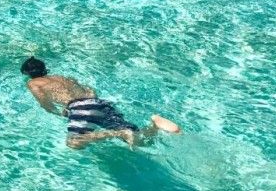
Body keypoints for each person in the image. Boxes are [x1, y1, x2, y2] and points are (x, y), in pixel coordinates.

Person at [21, 56, 180, 149]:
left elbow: (44, 103)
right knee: (136, 140)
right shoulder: (63, 78)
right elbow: (89, 90)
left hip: (79, 106)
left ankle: (118, 132)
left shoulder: (33, 83)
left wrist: (59, 112)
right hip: (97, 102)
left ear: (28, 74)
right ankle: (155, 125)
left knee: (74, 143)